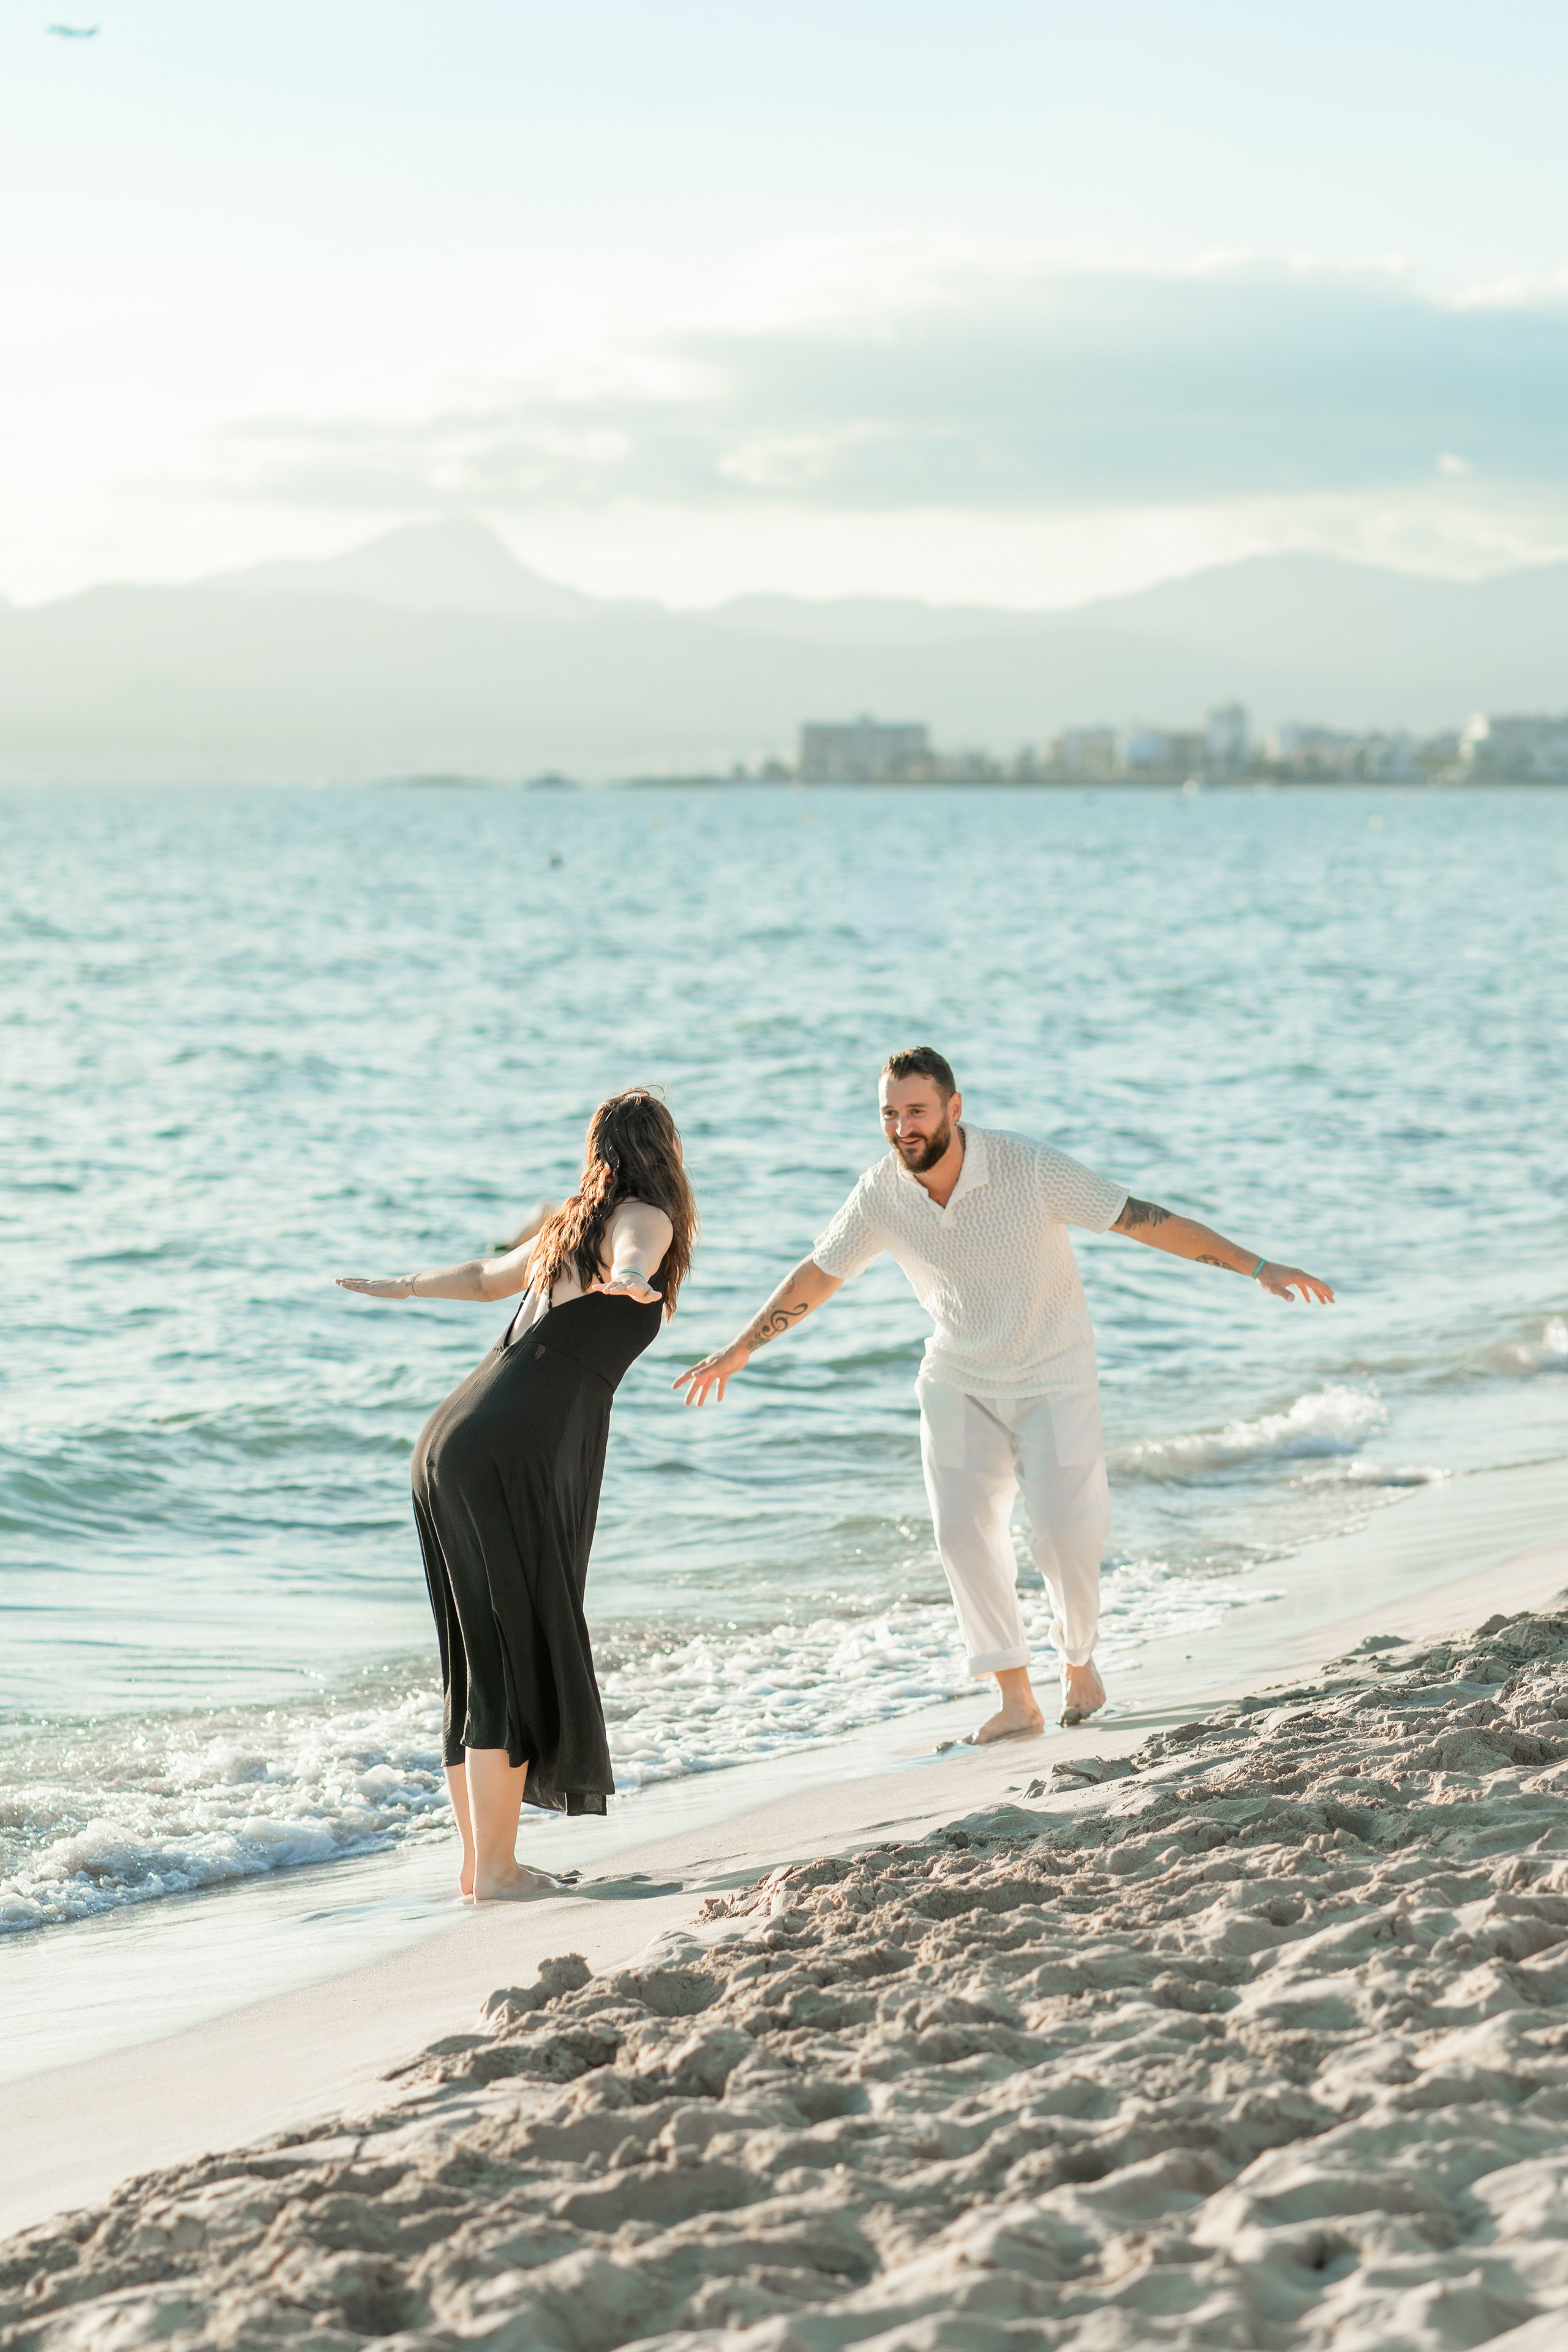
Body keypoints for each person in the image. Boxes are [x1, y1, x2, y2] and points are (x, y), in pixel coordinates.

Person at [675, 1047, 1332, 1744]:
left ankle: (1078, 1659)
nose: (903, 1127)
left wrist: (1256, 1266)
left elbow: (1143, 1219)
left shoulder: (1029, 1168)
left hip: (1056, 1375)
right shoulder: (879, 1194)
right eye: (889, 1114)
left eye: (916, 1111)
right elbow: (820, 1271)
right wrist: (744, 1345)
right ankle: (1015, 1697)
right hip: (958, 1379)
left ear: (955, 1110)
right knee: (962, 1534)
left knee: (1068, 1534)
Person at [337, 1090, 695, 1901]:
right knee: (503, 1651)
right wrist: (637, 1279)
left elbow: (481, 1278)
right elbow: (641, 1248)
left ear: (598, 1149)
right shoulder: (643, 1215)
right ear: (664, 1152)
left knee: (476, 1658)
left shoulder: (567, 1228)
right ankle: (496, 1871)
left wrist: (403, 1284)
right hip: (507, 1450)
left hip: (451, 1441)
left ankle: (480, 1867)